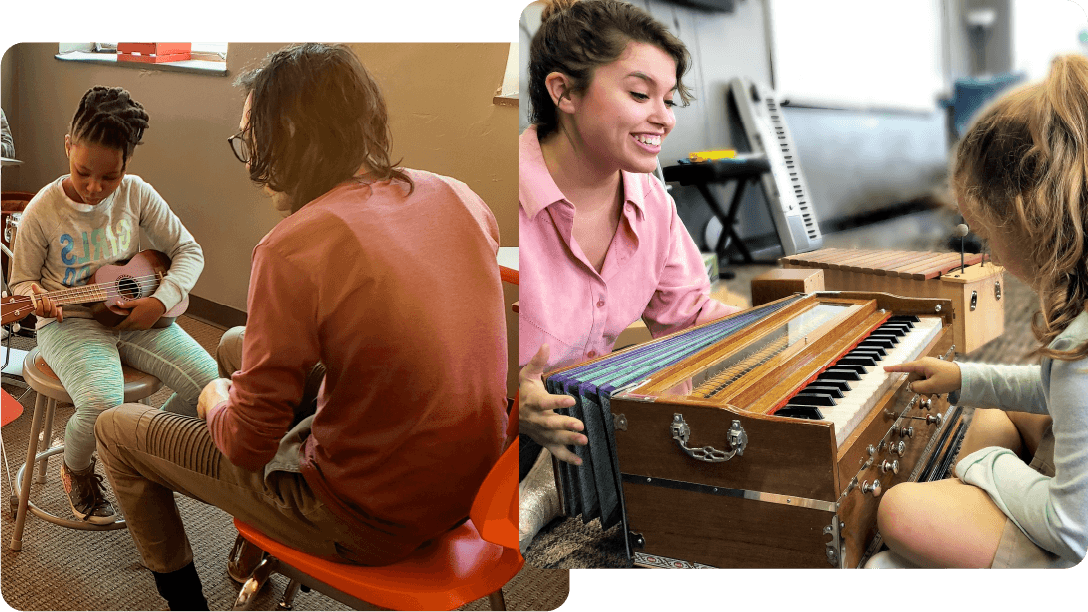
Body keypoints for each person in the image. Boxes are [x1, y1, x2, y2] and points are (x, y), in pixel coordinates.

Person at [94, 43, 508, 611]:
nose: (249, 162)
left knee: (117, 428)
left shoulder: (293, 247)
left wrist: (215, 400)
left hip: (366, 521)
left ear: (289, 135)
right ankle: (253, 550)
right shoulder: (458, 196)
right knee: (237, 343)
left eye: (251, 139)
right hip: (474, 494)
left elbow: (245, 443)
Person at [518, 0, 741, 551]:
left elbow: (689, 319)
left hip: (582, 425)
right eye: (641, 95)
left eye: (669, 98)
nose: (665, 117)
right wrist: (507, 403)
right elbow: (438, 353)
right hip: (486, 431)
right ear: (564, 93)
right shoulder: (496, 199)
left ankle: (563, 481)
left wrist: (789, 331)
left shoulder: (652, 202)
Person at [873, 54, 1088, 569]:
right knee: (995, 410)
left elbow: (1073, 529)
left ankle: (973, 525)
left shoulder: (1081, 356)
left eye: (986, 234)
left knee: (899, 509)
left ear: (1027, 218)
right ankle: (969, 518)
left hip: (1072, 542)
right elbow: (1052, 390)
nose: (986, 250)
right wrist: (961, 377)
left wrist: (981, 465)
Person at [9, 86, 218, 526]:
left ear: (126, 165)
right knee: (102, 400)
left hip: (139, 315)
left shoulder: (137, 194)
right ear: (68, 146)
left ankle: (145, 442)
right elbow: (21, 283)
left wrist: (160, 301)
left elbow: (188, 251)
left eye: (110, 176)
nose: (95, 188)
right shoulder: (41, 212)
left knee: (212, 386)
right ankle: (77, 469)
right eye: (84, 172)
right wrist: (35, 301)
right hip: (69, 323)